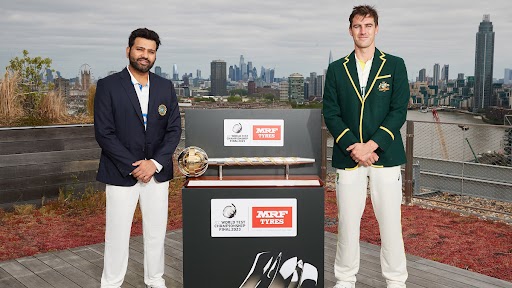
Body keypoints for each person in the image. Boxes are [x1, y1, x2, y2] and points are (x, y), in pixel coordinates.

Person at [322, 5, 409, 288]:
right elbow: (331, 113)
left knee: (390, 224)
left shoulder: (395, 65)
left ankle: (396, 281)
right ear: (350, 30)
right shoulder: (337, 69)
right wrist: (354, 147)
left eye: (368, 25)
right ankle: (345, 280)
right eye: (358, 26)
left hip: (385, 156)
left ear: (376, 29)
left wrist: (372, 145)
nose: (363, 31)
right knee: (347, 223)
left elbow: (398, 111)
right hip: (349, 158)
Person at [94, 28, 182, 288]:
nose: (145, 55)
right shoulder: (108, 86)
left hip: (157, 173)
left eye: (151, 51)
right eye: (140, 49)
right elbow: (104, 133)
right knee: (117, 235)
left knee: (156, 233)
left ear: (155, 55)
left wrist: (153, 164)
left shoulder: (165, 87)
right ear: (128, 50)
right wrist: (135, 166)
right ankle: (111, 283)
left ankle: (155, 280)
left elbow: (174, 129)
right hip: (121, 173)